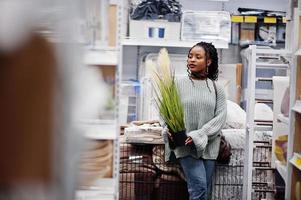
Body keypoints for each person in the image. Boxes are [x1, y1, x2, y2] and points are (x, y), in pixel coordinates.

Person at [164, 42, 227, 200]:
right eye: (190, 56)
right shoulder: (177, 84)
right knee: (198, 189)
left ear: (208, 62)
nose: (192, 60)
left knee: (203, 191)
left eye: (198, 57)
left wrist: (199, 135)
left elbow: (220, 117)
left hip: (210, 147)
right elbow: (165, 111)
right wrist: (167, 128)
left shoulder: (217, 88)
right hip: (185, 146)